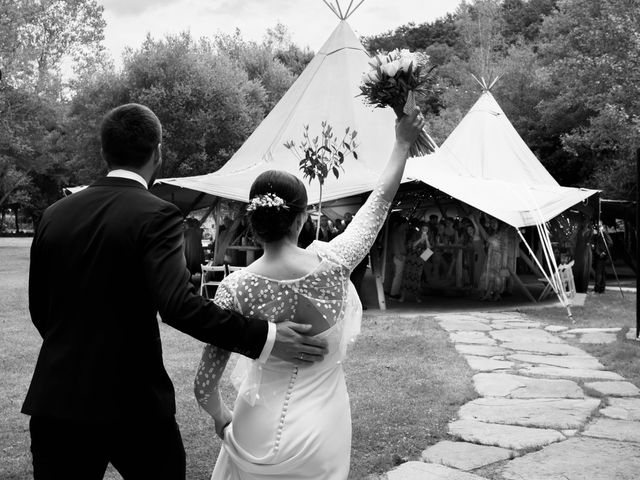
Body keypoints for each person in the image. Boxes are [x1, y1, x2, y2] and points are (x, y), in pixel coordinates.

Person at [22, 103, 328, 480]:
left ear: (105, 151)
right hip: (134, 404)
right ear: (158, 152)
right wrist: (265, 335)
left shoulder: (54, 214)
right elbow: (178, 305)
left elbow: (40, 308)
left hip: (57, 401)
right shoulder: (156, 214)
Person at [194, 108, 425, 479]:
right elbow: (380, 202)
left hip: (253, 431)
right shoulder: (336, 263)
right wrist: (401, 143)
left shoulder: (233, 289)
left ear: (254, 223)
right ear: (301, 219)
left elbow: (204, 386)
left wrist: (222, 419)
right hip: (323, 432)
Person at [401, 222, 430, 302]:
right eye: (423, 229)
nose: (424, 231)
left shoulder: (429, 237)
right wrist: (420, 239)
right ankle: (402, 296)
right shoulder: (415, 235)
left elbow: (429, 249)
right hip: (411, 257)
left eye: (426, 229)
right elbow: (411, 246)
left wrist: (426, 239)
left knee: (417, 278)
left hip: (420, 259)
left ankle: (416, 297)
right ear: (421, 229)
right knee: (407, 276)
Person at [388, 214, 409, 300]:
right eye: (406, 224)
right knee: (398, 276)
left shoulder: (400, 232)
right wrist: (398, 255)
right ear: (402, 224)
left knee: (398, 275)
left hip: (400, 255)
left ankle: (394, 293)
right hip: (400, 256)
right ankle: (393, 294)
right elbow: (396, 245)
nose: (407, 225)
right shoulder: (397, 232)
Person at [592, 221, 613, 293]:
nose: (597, 226)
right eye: (597, 225)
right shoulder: (597, 234)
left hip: (602, 256)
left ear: (602, 226)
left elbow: (610, 243)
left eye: (599, 225)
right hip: (598, 255)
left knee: (599, 273)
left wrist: (604, 252)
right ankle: (601, 288)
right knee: (602, 272)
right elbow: (596, 243)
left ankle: (597, 289)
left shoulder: (604, 233)